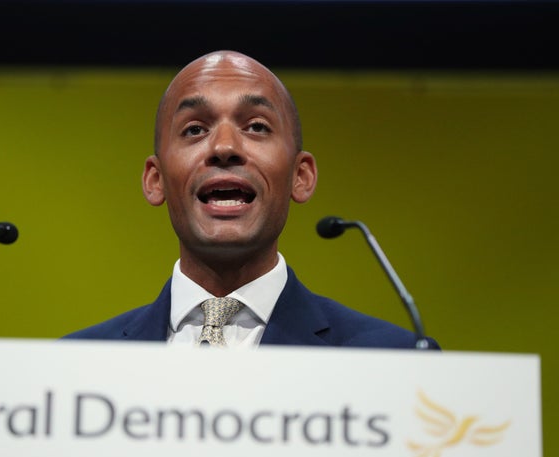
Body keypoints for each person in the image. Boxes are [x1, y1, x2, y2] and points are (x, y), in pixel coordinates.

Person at [64, 50, 439, 350]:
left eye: (256, 127)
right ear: (155, 180)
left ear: (300, 176)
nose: (224, 147)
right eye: (195, 129)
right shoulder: (75, 365)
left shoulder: (393, 363)